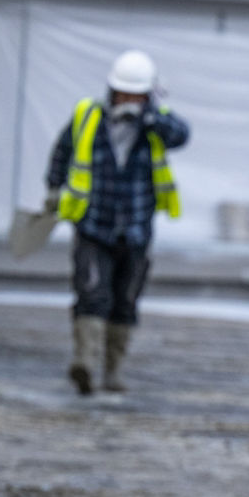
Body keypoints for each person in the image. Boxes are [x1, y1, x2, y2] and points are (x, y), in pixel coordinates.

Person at [44, 49, 189, 395]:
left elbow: (181, 135)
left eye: (135, 95)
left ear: (147, 96)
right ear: (111, 90)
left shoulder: (156, 125)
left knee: (125, 301)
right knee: (92, 294)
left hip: (136, 231)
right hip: (94, 226)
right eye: (123, 93)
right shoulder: (87, 116)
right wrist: (53, 188)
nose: (127, 100)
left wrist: (150, 117)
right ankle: (85, 363)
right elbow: (62, 152)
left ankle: (113, 371)